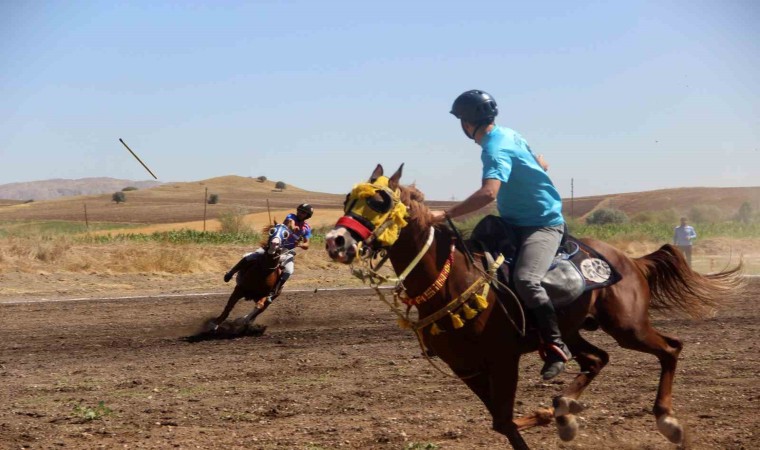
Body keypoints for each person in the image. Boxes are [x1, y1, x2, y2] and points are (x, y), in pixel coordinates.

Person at [430, 90, 570, 380]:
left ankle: (555, 344)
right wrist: (540, 167)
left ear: (466, 124)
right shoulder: (509, 134)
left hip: (541, 224)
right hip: (511, 222)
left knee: (526, 280)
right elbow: (534, 161)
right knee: (474, 264)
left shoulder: (494, 148)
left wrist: (444, 215)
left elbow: (488, 193)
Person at [223, 203, 313, 302]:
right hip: (276, 246)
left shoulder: (307, 228)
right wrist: (294, 227)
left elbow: (307, 244)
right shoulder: (291, 216)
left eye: (304, 213)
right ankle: (231, 273)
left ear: (307, 216)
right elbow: (290, 223)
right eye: (300, 211)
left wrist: (299, 244)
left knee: (289, 270)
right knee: (251, 256)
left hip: (287, 251)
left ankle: (274, 291)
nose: (300, 213)